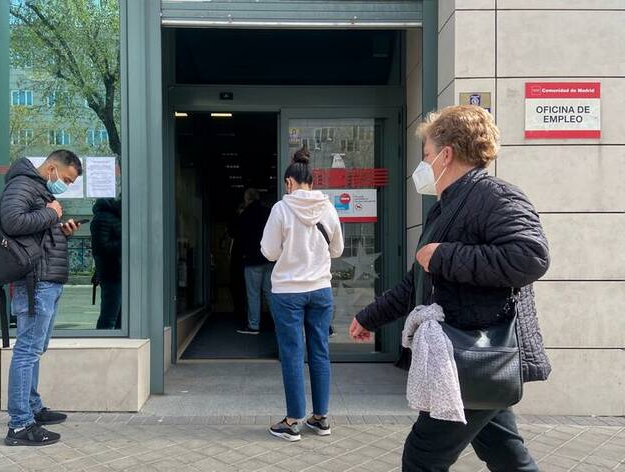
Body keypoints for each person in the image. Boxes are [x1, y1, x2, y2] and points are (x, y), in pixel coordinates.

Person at [349, 105, 551, 471]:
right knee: (504, 451)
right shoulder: (446, 206)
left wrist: (444, 255)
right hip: (473, 356)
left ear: (446, 154)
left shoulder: (495, 196)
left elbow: (530, 257)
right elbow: (419, 279)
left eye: (426, 154)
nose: (423, 165)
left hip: (475, 352)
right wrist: (369, 317)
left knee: (422, 455)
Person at [0, 150, 83, 446]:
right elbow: (12, 222)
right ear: (51, 169)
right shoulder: (22, 184)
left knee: (35, 350)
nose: (67, 186)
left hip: (46, 280)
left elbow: (35, 233)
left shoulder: (39, 189)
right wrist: (52, 214)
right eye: (67, 180)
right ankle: (20, 425)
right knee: (27, 352)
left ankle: (33, 408)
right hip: (35, 283)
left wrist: (61, 231)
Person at [261, 147, 344, 441]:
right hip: (320, 290)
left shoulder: (281, 209)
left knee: (293, 354)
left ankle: (292, 421)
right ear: (311, 181)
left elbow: (269, 252)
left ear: (289, 182)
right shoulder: (328, 208)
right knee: (320, 351)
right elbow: (337, 250)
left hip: (288, 292)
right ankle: (320, 418)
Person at [236, 188, 273, 335]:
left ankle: (254, 325)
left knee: (253, 294)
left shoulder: (245, 214)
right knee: (270, 293)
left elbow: (239, 237)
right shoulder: (269, 212)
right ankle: (280, 323)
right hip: (269, 258)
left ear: (247, 199)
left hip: (252, 260)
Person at [91, 197, 122, 330]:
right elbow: (101, 248)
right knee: (109, 316)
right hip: (112, 273)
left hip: (119, 272)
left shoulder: (116, 216)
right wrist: (126, 242)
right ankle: (103, 340)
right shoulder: (103, 217)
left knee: (121, 317)